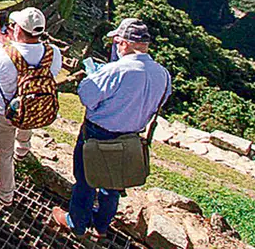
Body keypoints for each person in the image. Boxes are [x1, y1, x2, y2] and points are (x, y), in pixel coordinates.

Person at [51, 18, 171, 238]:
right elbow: (159, 102)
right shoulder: (163, 75)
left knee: (86, 179)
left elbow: (87, 96)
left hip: (98, 133)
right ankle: (101, 226)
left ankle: (76, 223)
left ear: (124, 43)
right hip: (130, 137)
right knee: (113, 183)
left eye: (117, 41)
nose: (115, 45)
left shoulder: (116, 70)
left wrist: (95, 76)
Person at [0, 7, 62, 205]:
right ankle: (23, 149)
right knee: (29, 109)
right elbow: (52, 75)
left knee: (2, 152)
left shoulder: (4, 54)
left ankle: (4, 191)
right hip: (35, 106)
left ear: (17, 31)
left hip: (4, 111)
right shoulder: (53, 53)